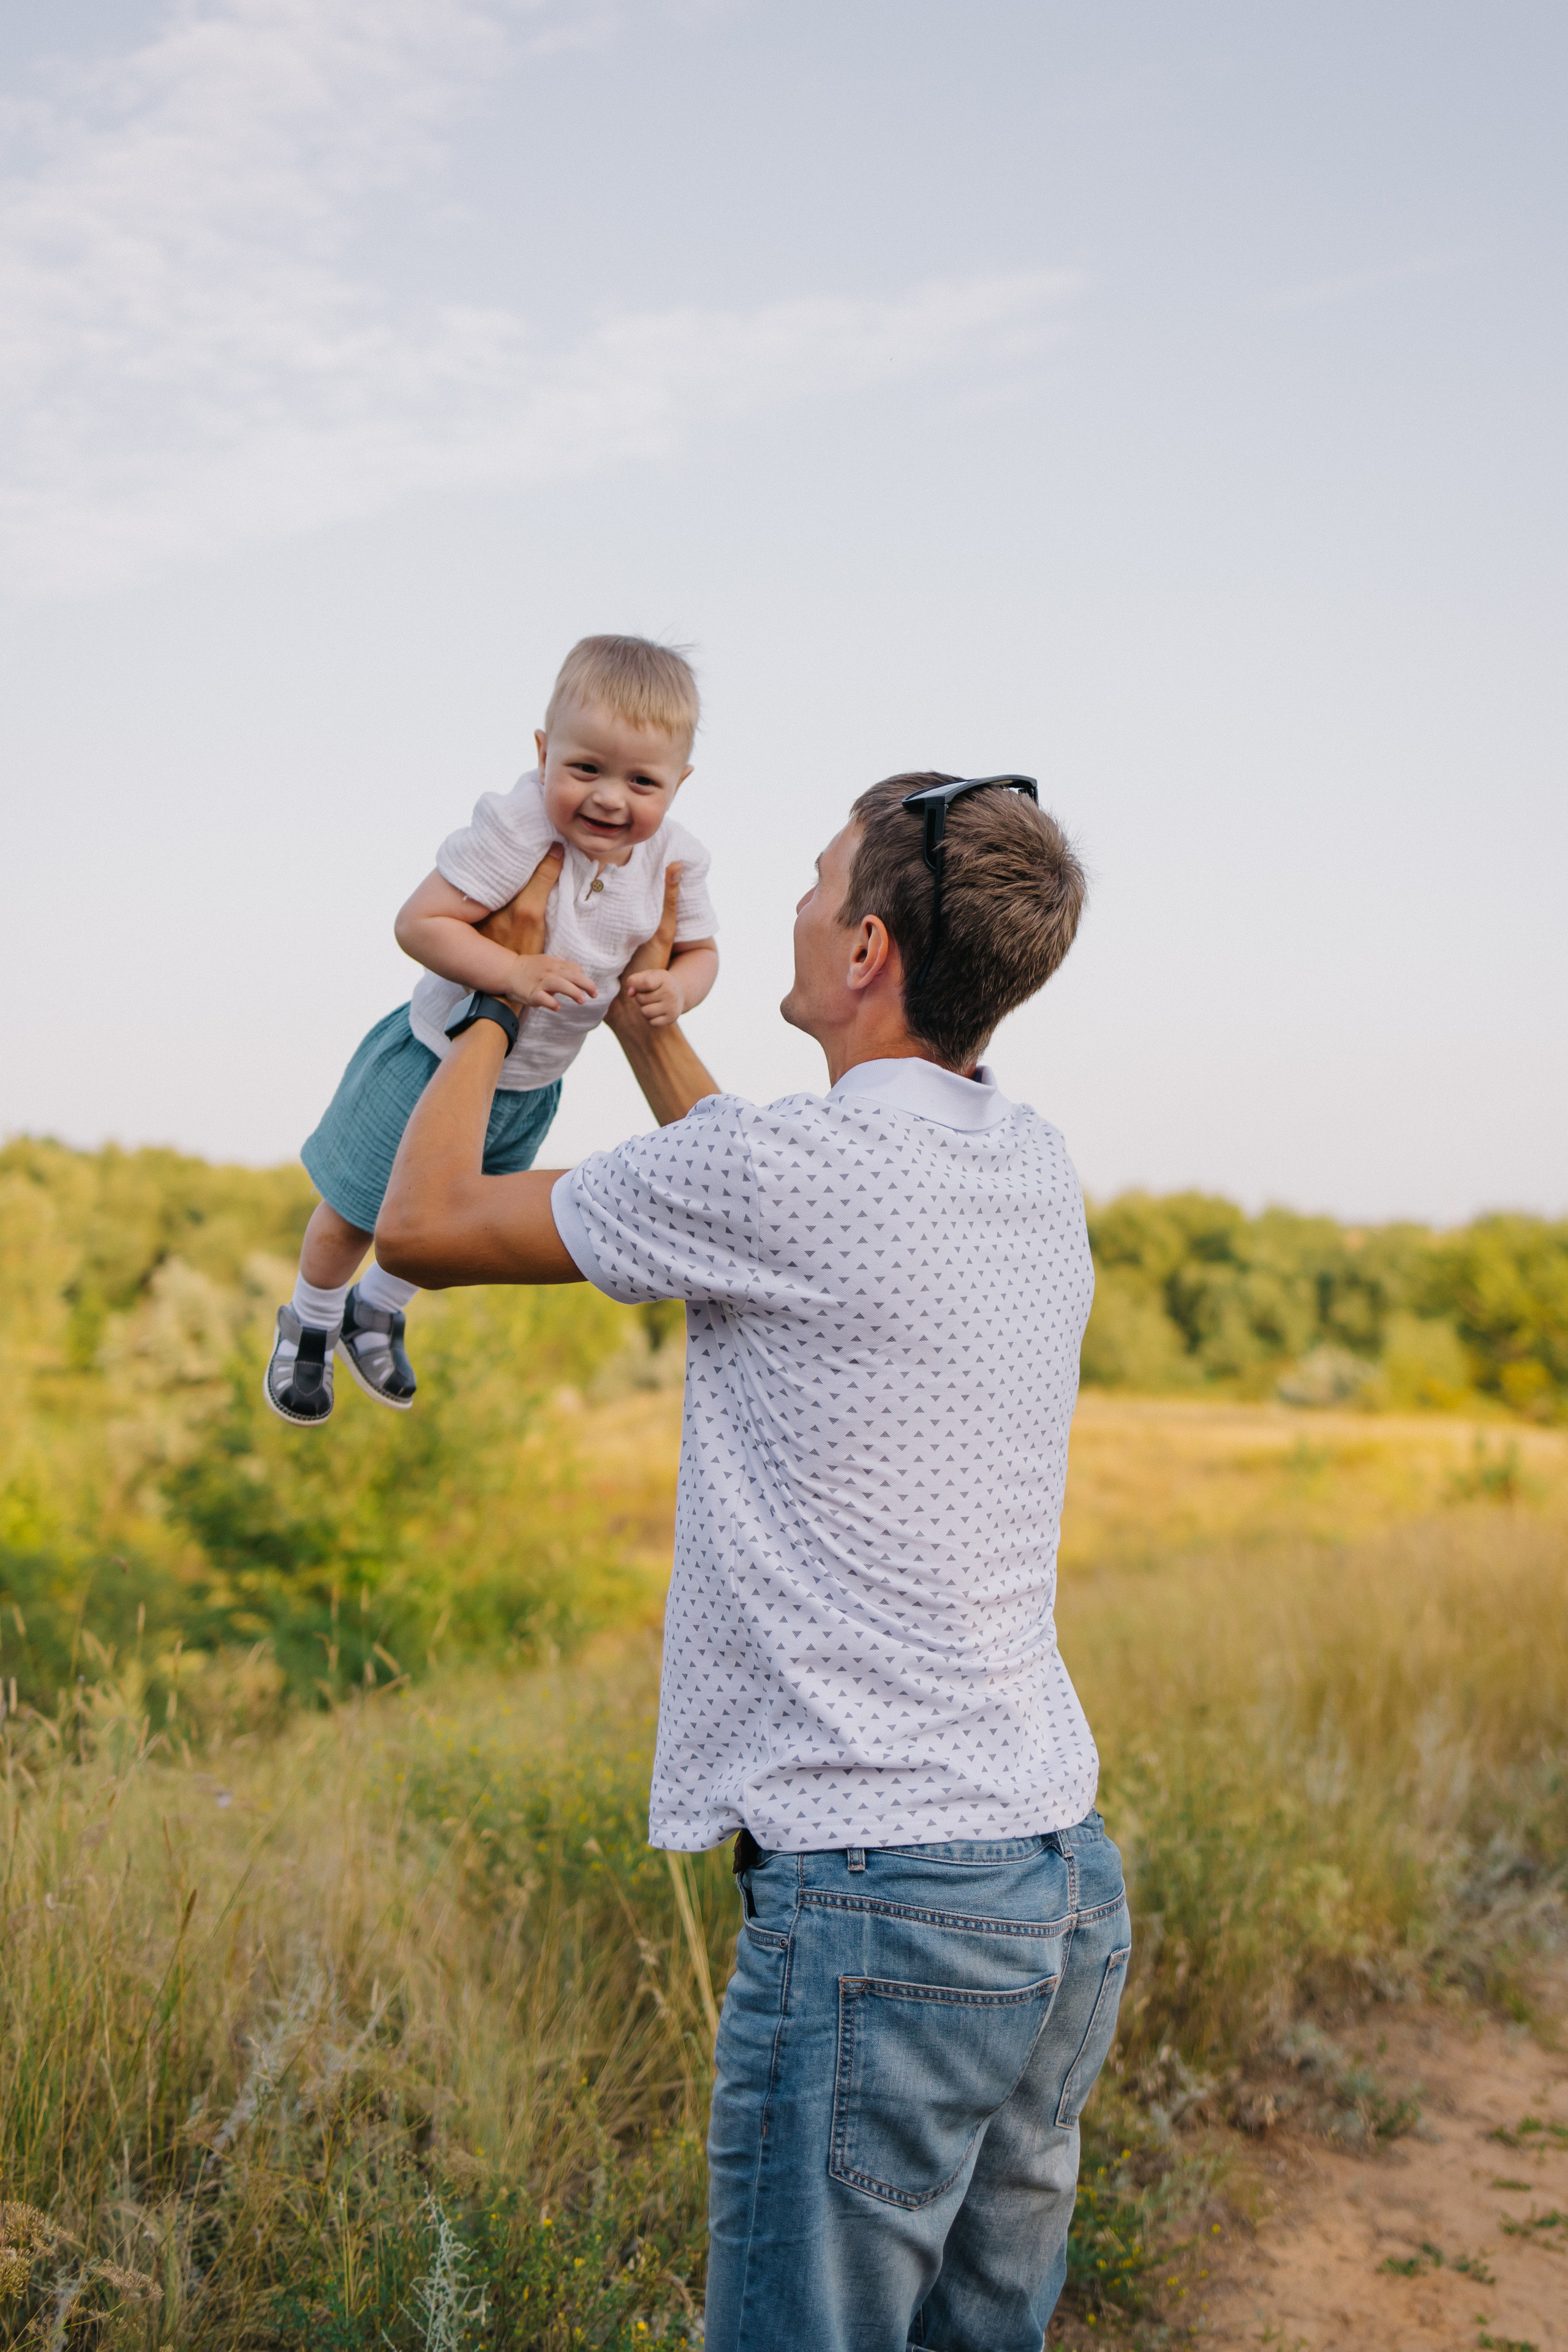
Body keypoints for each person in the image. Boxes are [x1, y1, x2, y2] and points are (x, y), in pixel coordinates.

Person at [375, 770, 1128, 2352]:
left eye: (814, 880)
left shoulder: (787, 1179)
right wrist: (640, 1015)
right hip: (1054, 1883)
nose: (785, 905)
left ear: (864, 949)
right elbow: (761, 1189)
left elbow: (424, 1224)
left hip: (880, 1909)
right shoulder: (1030, 1165)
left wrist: (501, 981)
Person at [265, 633, 718, 1426]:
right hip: (431, 1059)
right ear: (544, 754)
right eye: (585, 769)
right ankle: (310, 1319)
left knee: (450, 1218)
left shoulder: (675, 861)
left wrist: (676, 990)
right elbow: (420, 922)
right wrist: (510, 972)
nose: (610, 800)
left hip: (531, 1085)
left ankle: (377, 1311)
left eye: (641, 781)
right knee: (355, 1209)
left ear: (679, 784)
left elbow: (702, 951)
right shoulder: (519, 827)